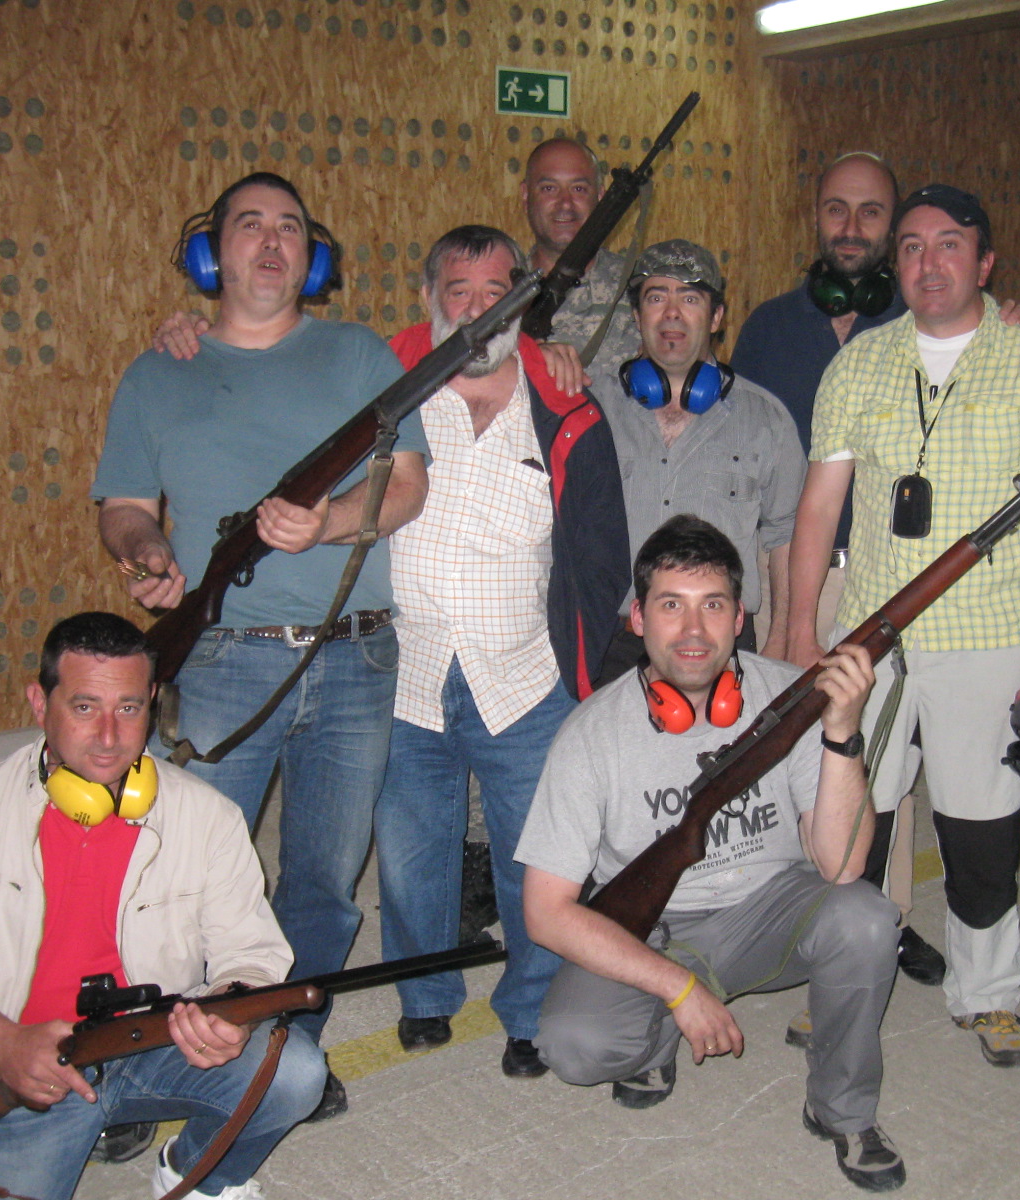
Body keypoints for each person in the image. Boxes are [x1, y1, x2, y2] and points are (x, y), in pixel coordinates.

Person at [92, 171, 429, 1118]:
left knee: (324, 882)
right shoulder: (158, 370)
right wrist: (144, 549)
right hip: (221, 658)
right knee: (177, 876)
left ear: (312, 257)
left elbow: (406, 486)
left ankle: (283, 1055)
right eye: (251, 225)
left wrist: (325, 525)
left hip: (355, 656)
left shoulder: (357, 354)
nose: (272, 242)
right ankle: (147, 1063)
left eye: (290, 227)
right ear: (213, 252)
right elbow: (124, 506)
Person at [787, 184, 1020, 1068]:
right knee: (855, 822)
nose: (931, 263)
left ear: (985, 262)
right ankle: (841, 982)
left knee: (981, 831)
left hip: (991, 637)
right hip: (873, 640)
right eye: (914, 246)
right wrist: (804, 632)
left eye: (951, 244)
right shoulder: (860, 363)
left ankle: (987, 996)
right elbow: (820, 507)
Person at [0, 613, 326, 1200]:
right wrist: (4, 1044)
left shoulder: (207, 816)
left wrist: (228, 1008)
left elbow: (251, 952)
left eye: (129, 708)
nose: (110, 736)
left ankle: (195, 1175)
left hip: (151, 1040)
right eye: (85, 707)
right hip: (23, 1059)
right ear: (40, 704)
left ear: (153, 703)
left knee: (295, 1072)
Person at [518, 515, 906, 1193]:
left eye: (714, 605)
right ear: (638, 618)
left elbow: (842, 867)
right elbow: (546, 914)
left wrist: (841, 733)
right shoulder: (590, 734)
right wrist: (677, 989)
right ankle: (659, 1035)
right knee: (576, 1045)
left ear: (740, 616)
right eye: (671, 605)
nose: (694, 630)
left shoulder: (792, 698)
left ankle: (841, 1110)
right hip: (653, 933)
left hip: (767, 912)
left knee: (867, 918)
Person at [372, 225, 627, 1075]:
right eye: (460, 293)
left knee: (536, 861)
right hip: (407, 674)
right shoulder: (389, 391)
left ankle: (529, 1008)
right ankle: (425, 995)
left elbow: (601, 553)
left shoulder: (565, 407)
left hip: (523, 678)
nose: (480, 311)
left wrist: (582, 672)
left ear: (524, 300)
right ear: (429, 302)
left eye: (497, 293)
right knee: (410, 856)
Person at [590, 238, 806, 681]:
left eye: (689, 299)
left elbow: (786, 535)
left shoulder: (766, 419)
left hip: (720, 641)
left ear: (717, 317)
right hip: (612, 645)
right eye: (656, 298)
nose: (672, 313)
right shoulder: (592, 410)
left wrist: (781, 637)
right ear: (637, 317)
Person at [519, 137, 642, 374]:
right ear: (525, 195)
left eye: (579, 189)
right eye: (549, 188)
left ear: (601, 197)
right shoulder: (498, 292)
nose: (565, 204)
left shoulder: (640, 288)